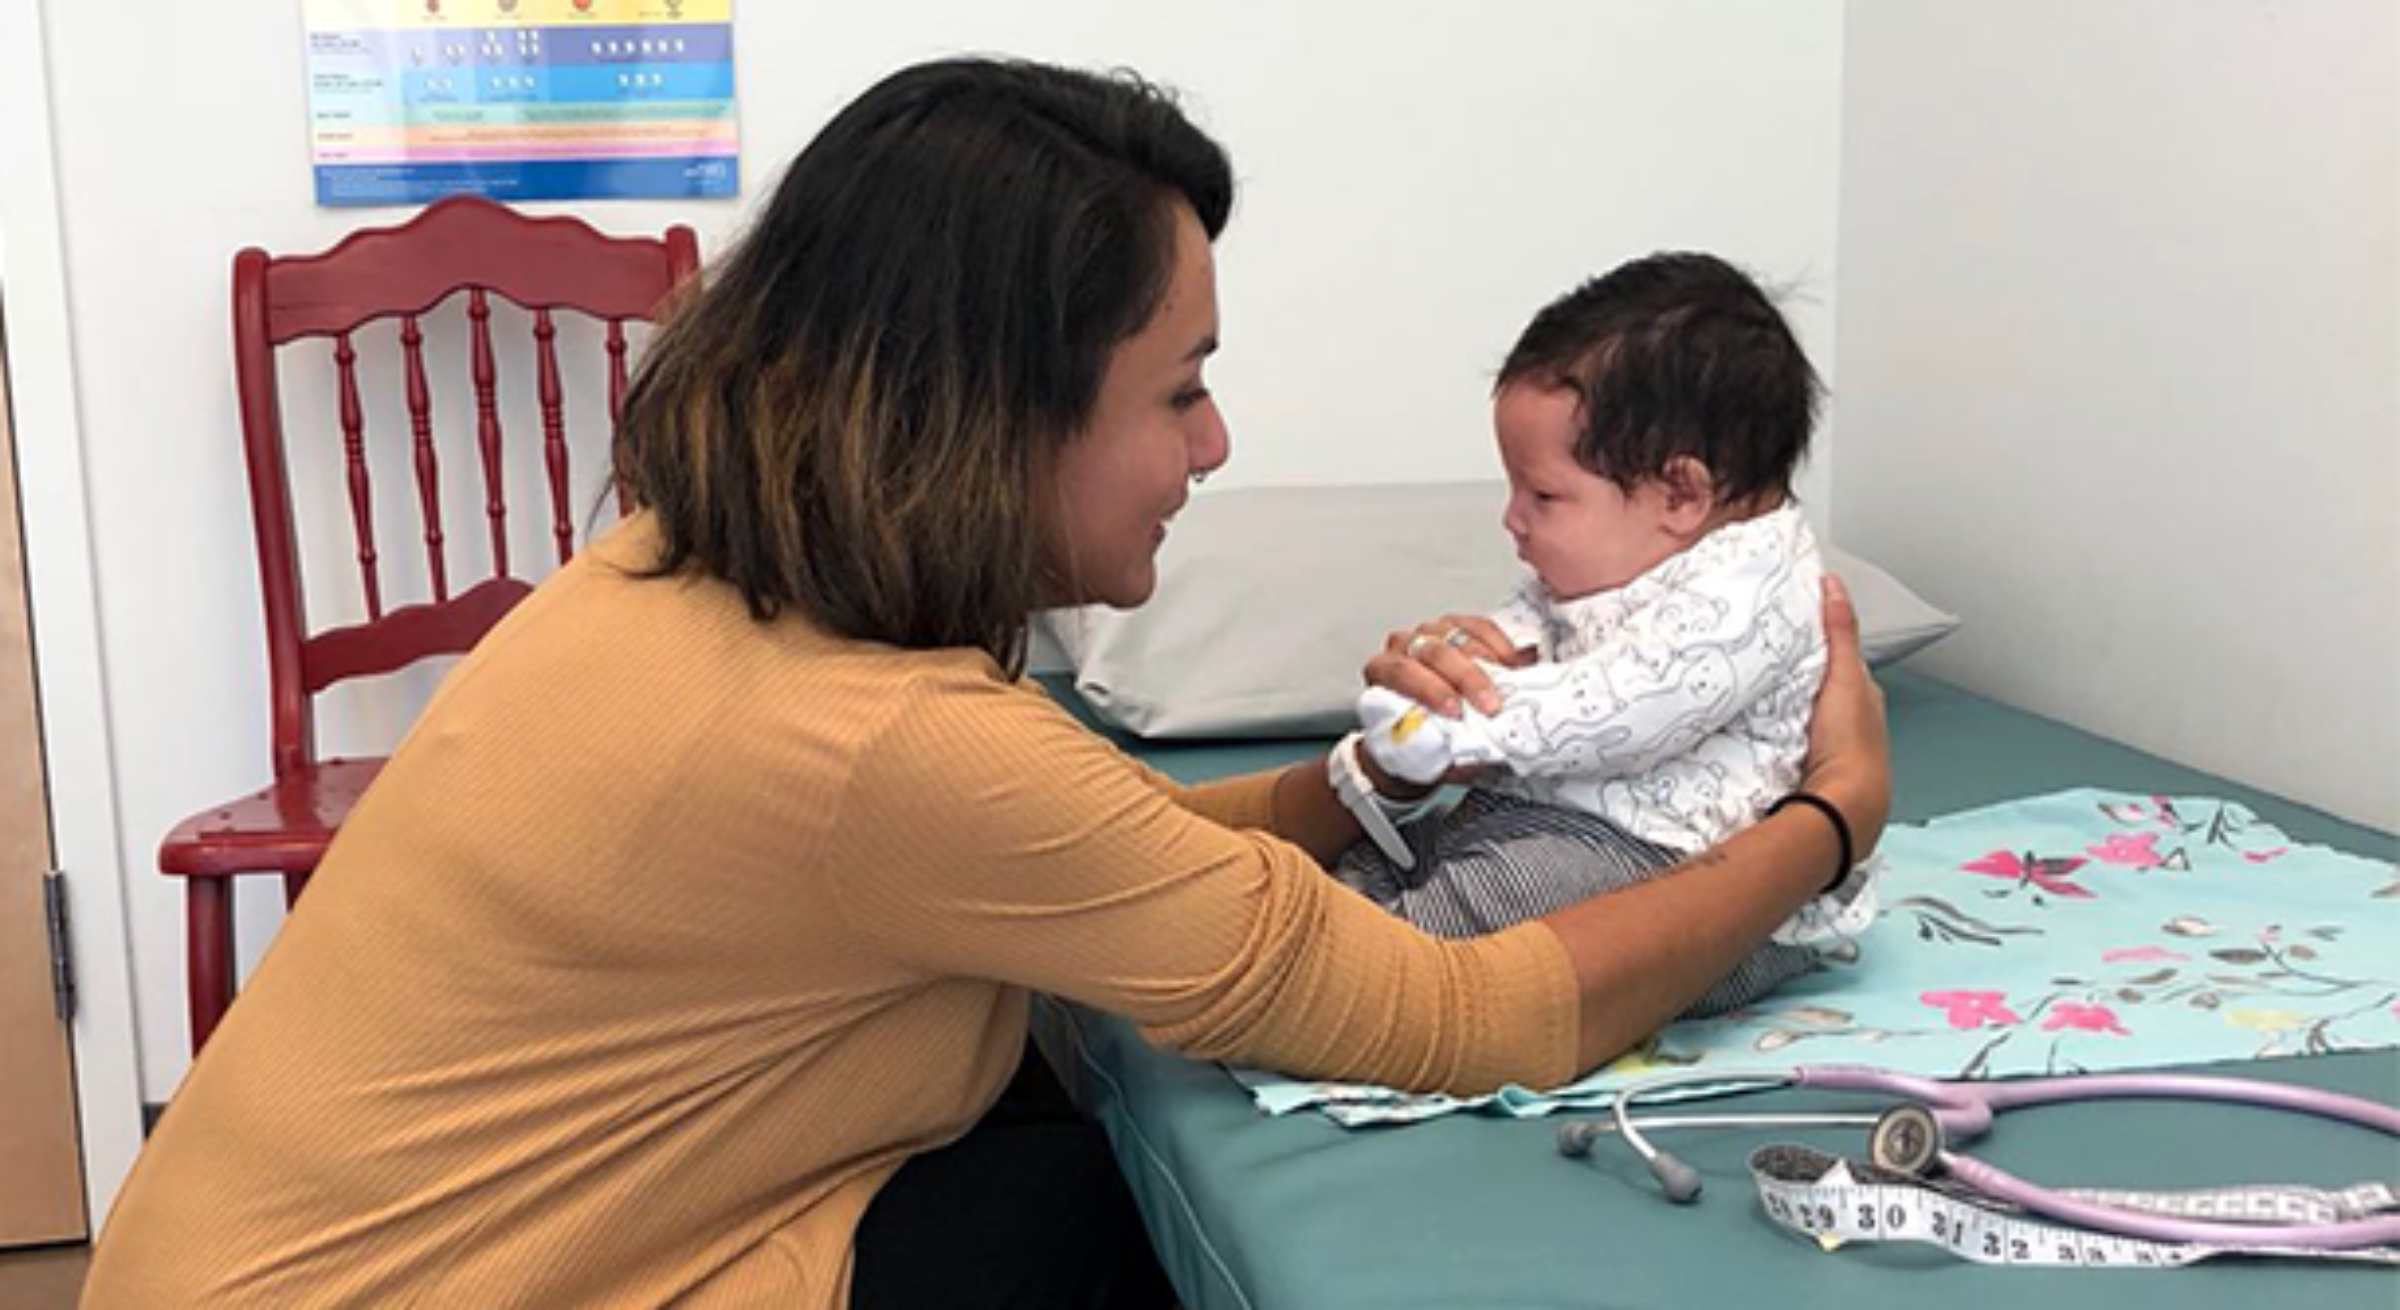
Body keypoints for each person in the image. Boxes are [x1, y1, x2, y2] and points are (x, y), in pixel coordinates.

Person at [82, 59, 1888, 1310]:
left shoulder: (673, 577)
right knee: (1094, 1222)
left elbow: (1096, 843)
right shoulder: (887, 746)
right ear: (999, 417)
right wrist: (1821, 824)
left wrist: (1364, 786)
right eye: (1178, 386)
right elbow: (1471, 1016)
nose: (1217, 438)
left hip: (236, 1257)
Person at [1329, 253, 1875, 1017]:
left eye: (1543, 494)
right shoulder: (1622, 557)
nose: (1512, 519)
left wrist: (1471, 725)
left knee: (1466, 925)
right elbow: (1532, 623)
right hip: (1553, 822)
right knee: (1381, 861)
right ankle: (1319, 936)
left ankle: (1340, 996)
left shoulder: (1755, 590)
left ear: (1681, 492)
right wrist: (1480, 660)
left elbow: (1635, 707)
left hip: (1670, 861)